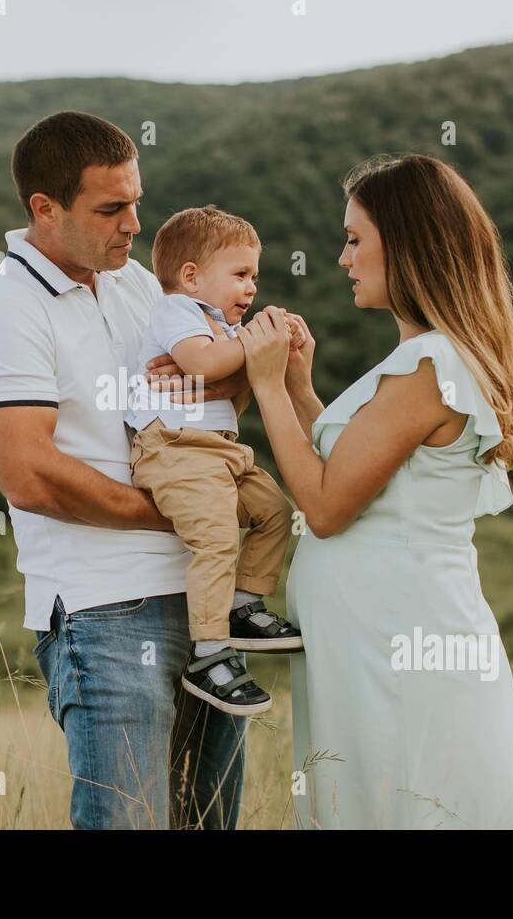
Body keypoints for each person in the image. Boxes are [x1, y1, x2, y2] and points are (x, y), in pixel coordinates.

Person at [0, 111, 249, 829]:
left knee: (208, 823)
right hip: (106, 613)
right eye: (111, 208)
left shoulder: (139, 285)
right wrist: (181, 511)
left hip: (202, 597)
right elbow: (30, 475)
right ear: (45, 209)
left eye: (136, 202)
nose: (133, 224)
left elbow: (215, 389)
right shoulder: (6, 310)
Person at [237, 154, 513, 829]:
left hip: (399, 645)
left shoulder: (429, 367)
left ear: (405, 245)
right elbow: (360, 471)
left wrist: (263, 388)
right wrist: (298, 388)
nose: (343, 257)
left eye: (355, 239)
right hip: (374, 639)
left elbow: (324, 506)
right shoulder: (424, 361)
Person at [125, 206, 303, 717]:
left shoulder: (224, 328)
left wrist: (262, 352)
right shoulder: (178, 311)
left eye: (255, 277)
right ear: (191, 276)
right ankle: (208, 651)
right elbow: (202, 365)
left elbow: (233, 390)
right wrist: (256, 343)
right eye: (241, 275)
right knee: (217, 535)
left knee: (273, 509)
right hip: (174, 449)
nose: (251, 289)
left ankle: (242, 603)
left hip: (220, 452)